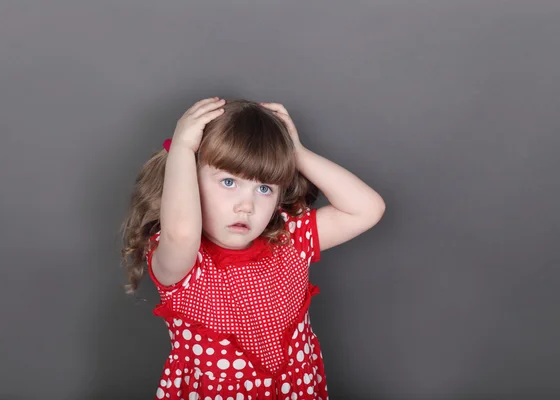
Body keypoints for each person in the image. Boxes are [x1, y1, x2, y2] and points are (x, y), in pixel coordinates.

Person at [121, 97, 386, 400]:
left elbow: (367, 209)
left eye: (264, 189)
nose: (246, 205)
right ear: (189, 182)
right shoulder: (182, 262)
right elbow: (181, 232)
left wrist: (296, 154)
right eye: (229, 182)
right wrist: (182, 151)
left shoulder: (289, 239)